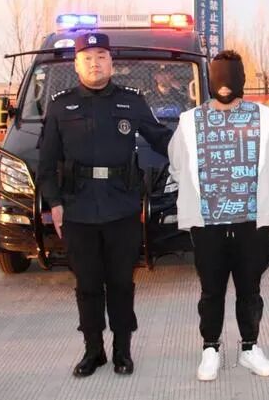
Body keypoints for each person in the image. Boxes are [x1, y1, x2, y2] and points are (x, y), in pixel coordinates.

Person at [37, 32, 173, 376]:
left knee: (121, 283)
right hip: (77, 208)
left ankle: (122, 351)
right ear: (76, 64)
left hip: (121, 207)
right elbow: (47, 162)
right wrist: (54, 202)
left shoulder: (132, 101)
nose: (94, 64)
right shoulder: (61, 105)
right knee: (87, 284)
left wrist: (200, 142)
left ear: (111, 62)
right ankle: (93, 351)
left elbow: (163, 140)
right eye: (87, 58)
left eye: (101, 57)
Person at [168, 50, 269, 381]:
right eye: (219, 77)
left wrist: (260, 196)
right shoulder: (190, 121)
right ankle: (210, 348)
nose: (224, 85)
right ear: (210, 79)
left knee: (250, 289)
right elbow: (177, 165)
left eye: (230, 76)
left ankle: (250, 347)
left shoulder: (264, 118)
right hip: (207, 224)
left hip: (251, 223)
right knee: (211, 290)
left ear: (242, 79)